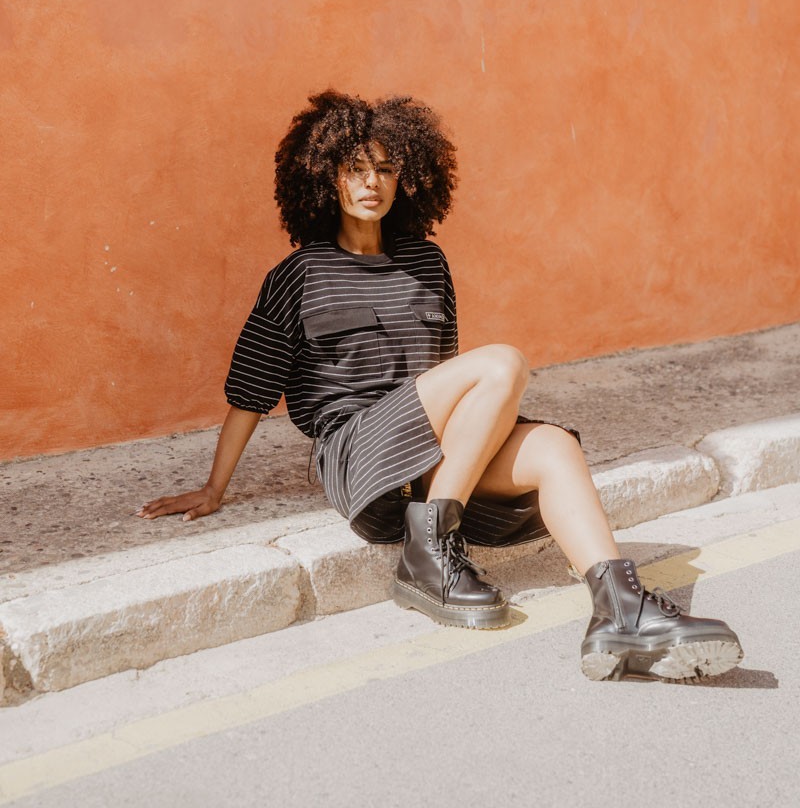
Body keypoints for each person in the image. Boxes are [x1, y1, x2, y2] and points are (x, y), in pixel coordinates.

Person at [139, 90, 743, 683]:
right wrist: (214, 488)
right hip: (357, 452)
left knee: (555, 445)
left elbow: (450, 379)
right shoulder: (300, 274)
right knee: (503, 361)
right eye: (355, 169)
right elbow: (251, 388)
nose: (372, 182)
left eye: (385, 169)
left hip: (428, 461)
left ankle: (620, 612)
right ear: (326, 179)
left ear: (405, 180)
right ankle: (428, 554)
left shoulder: (427, 263)